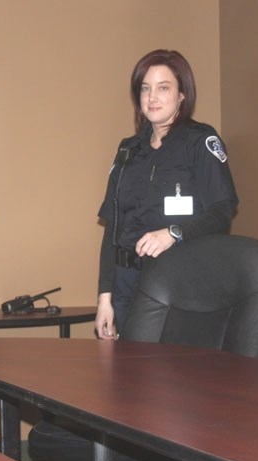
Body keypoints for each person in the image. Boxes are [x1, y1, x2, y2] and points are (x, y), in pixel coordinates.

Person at [95, 49, 238, 339]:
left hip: (176, 282)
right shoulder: (128, 149)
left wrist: (173, 233)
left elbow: (222, 212)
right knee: (127, 377)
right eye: (145, 89)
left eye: (163, 88)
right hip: (126, 284)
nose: (152, 98)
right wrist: (104, 297)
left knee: (167, 378)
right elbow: (113, 228)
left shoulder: (200, 142)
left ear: (182, 94)